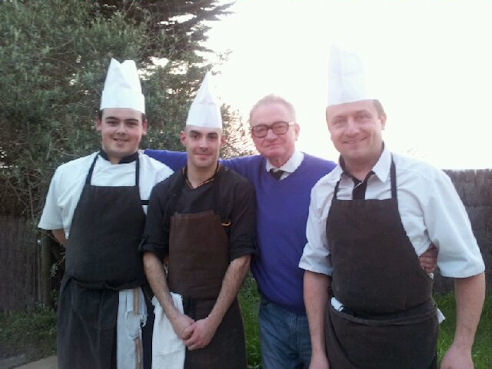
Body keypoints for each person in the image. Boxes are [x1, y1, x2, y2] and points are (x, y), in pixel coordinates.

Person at [145, 94, 437, 368]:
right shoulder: (248, 171)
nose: (270, 135)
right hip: (273, 316)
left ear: (296, 130)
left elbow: (376, 211)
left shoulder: (329, 176)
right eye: (260, 129)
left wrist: (419, 245)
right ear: (252, 137)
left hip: (326, 314)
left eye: (279, 127)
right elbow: (197, 158)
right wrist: (135, 147)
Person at [299, 46, 486, 369]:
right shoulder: (323, 191)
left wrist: (462, 347)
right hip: (342, 338)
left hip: (408, 339)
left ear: (382, 119)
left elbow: (468, 266)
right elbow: (316, 269)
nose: (352, 128)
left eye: (362, 116)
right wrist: (318, 351)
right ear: (328, 129)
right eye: (339, 120)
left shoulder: (425, 181)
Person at [38, 59, 173, 369]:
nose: (121, 131)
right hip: (79, 307)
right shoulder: (67, 174)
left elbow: (169, 246)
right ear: (98, 123)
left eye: (130, 122)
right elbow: (60, 232)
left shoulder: (162, 179)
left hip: (135, 306)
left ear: (144, 126)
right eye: (113, 121)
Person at [141, 73, 256, 369]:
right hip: (174, 312)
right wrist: (173, 316)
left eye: (211, 136)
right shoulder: (164, 191)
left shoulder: (237, 189)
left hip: (222, 314)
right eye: (196, 135)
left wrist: (212, 322)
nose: (203, 144)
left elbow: (241, 259)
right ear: (184, 138)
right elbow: (151, 254)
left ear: (222, 140)